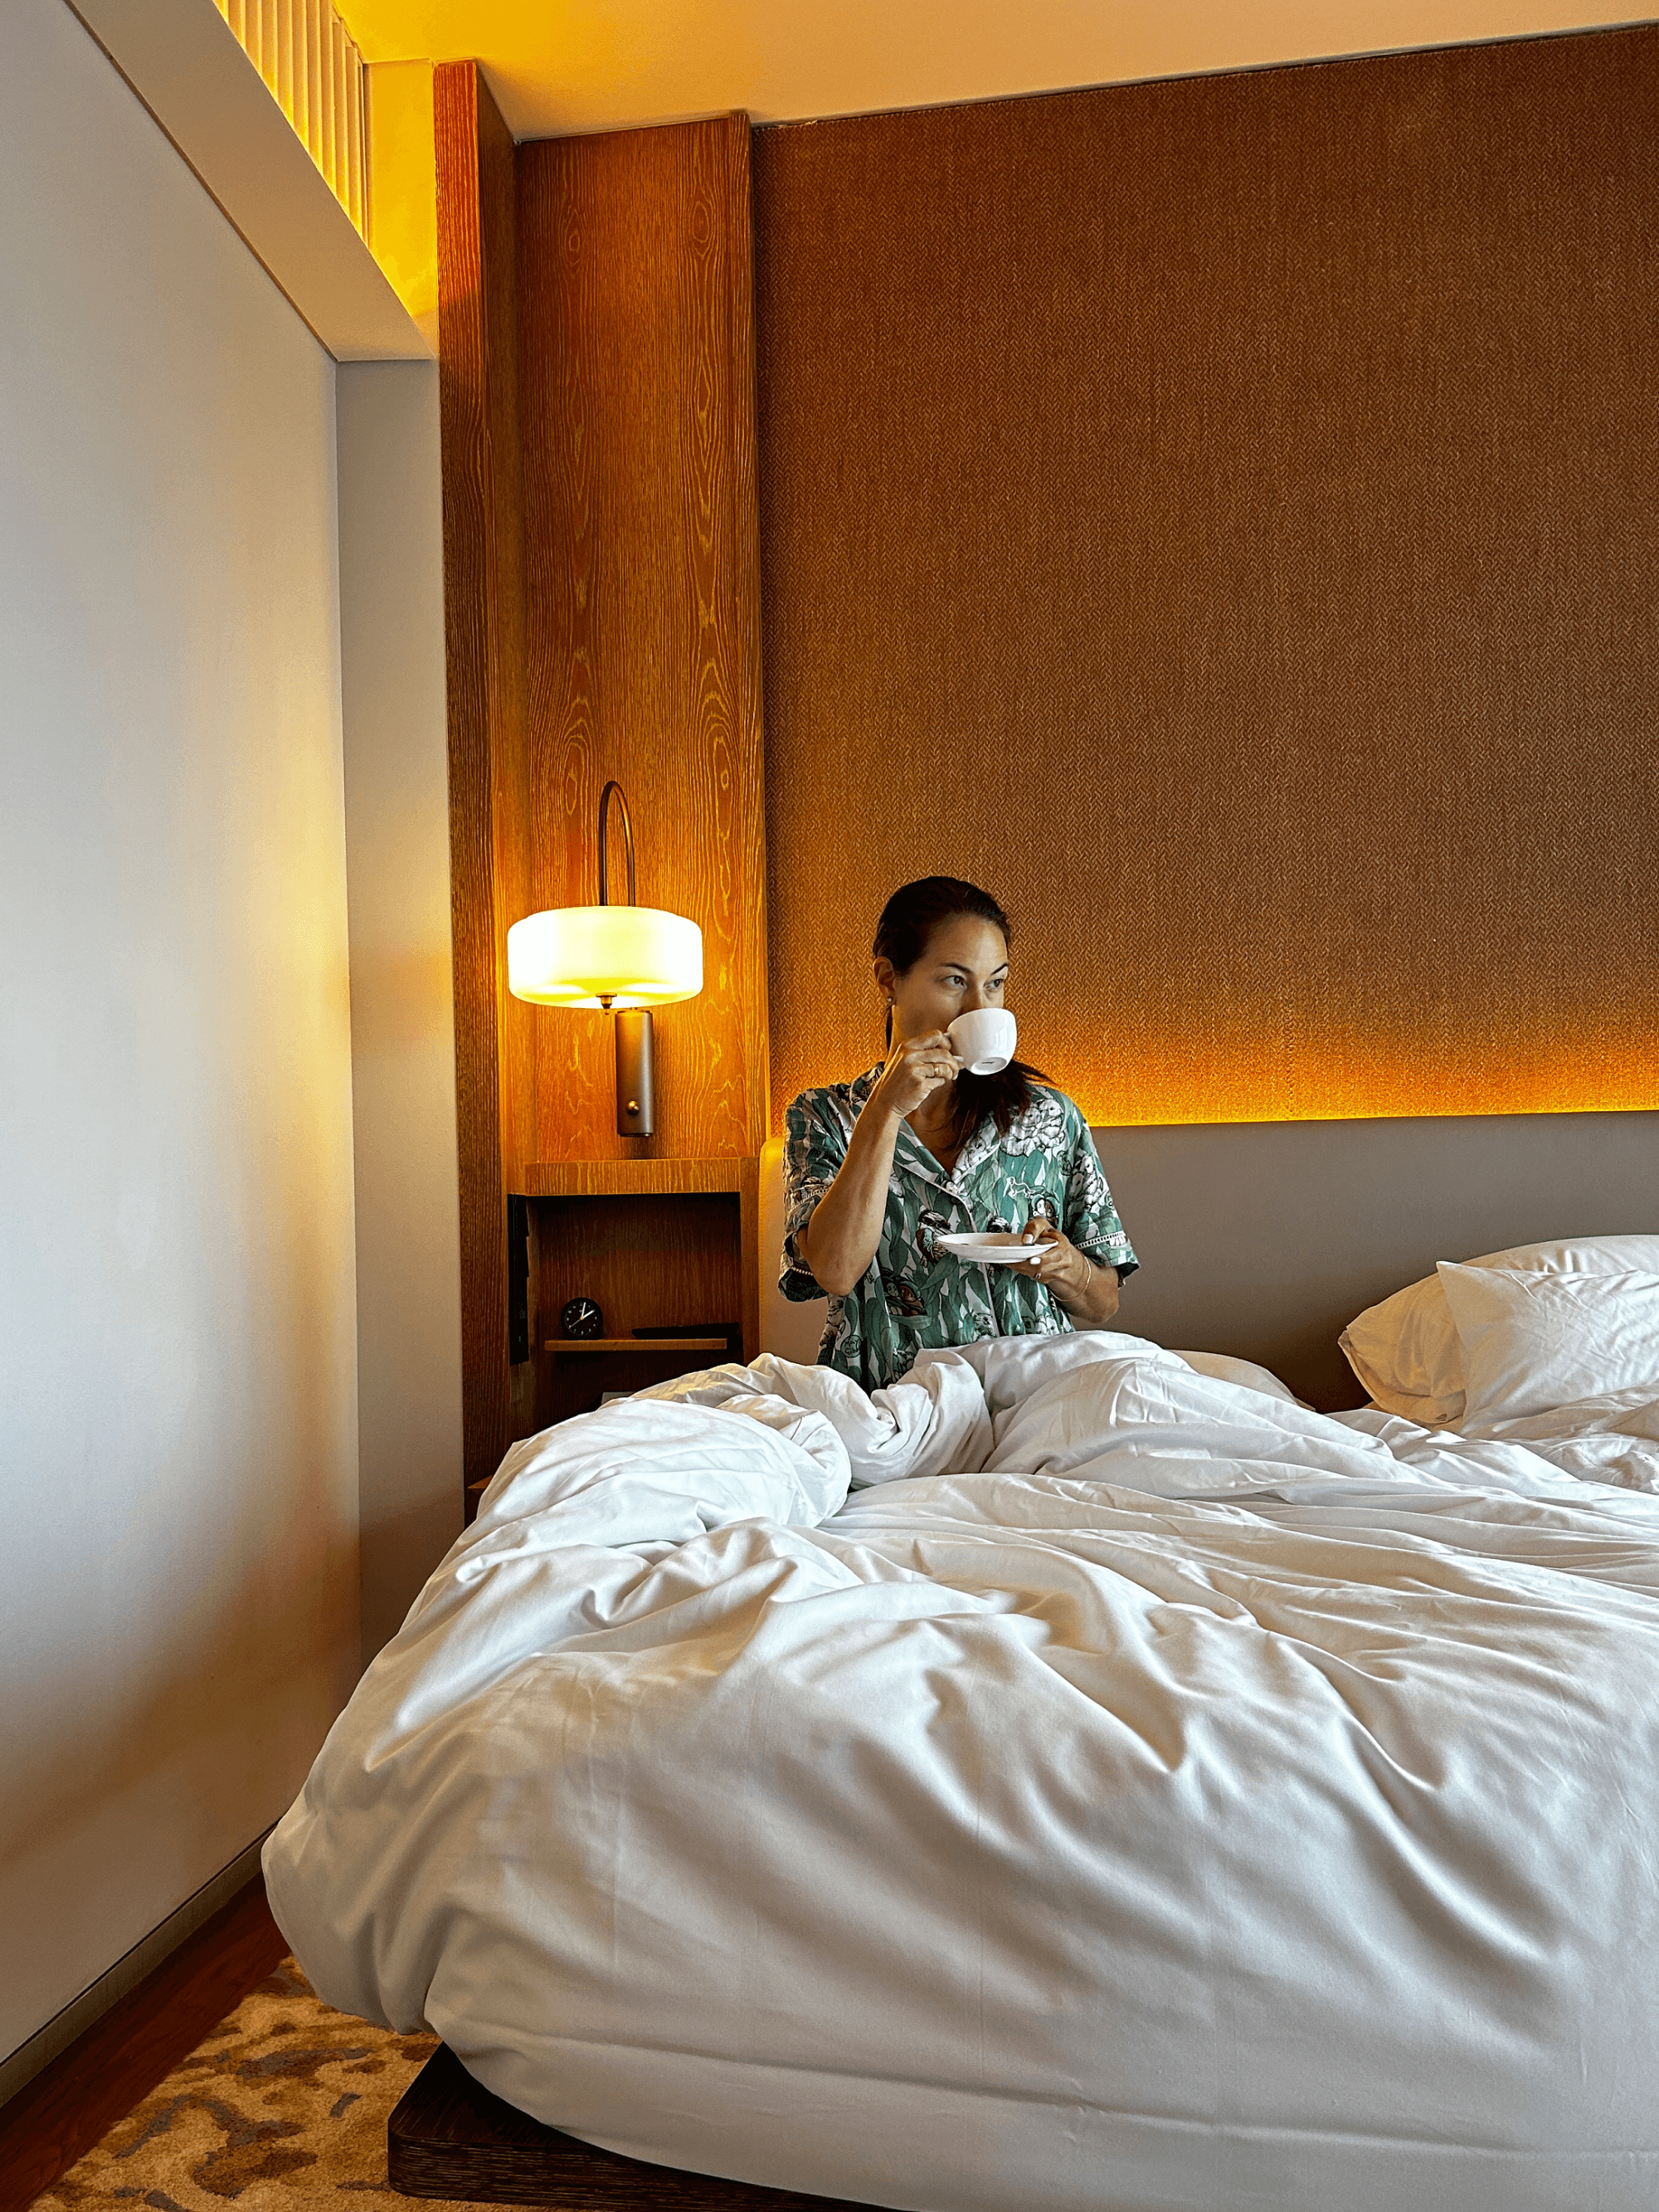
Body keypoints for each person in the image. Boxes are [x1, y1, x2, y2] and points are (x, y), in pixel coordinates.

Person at [780, 876, 1137, 1391]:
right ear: (888, 979)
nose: (980, 1008)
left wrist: (1063, 1264)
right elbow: (835, 1270)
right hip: (889, 1402)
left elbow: (1104, 1303)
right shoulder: (823, 1117)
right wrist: (884, 1111)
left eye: (995, 983)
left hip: (1031, 1399)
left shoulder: (1049, 1117)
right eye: (954, 980)